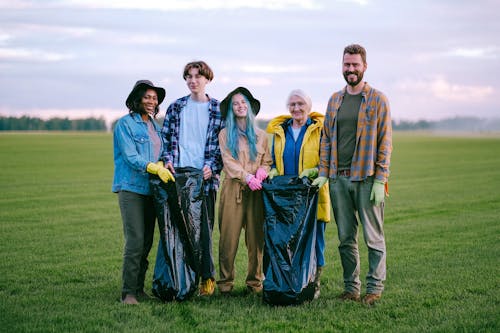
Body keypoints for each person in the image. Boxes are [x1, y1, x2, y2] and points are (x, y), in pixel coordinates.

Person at [313, 44, 392, 305]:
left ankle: (374, 288)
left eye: (355, 65)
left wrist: (381, 179)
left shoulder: (378, 99)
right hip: (338, 179)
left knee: (373, 238)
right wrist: (324, 173)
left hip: (367, 178)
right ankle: (351, 288)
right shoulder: (335, 99)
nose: (350, 69)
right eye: (347, 64)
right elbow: (326, 139)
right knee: (346, 238)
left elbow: (385, 141)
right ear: (342, 66)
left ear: (364, 67)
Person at [159, 61, 224, 296]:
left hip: (205, 179)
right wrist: (167, 160)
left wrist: (213, 168)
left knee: (203, 232)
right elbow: (166, 141)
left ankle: (207, 278)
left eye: (197, 76)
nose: (192, 80)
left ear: (207, 79)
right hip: (178, 178)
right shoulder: (176, 108)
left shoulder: (218, 109)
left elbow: (222, 147)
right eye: (188, 76)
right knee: (178, 229)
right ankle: (181, 279)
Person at [112, 80, 174, 305]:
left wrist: (164, 164)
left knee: (147, 241)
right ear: (137, 99)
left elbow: (164, 151)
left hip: (152, 190)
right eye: (147, 97)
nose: (151, 101)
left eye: (155, 98)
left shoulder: (156, 126)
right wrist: (153, 166)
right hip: (131, 188)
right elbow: (130, 156)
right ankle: (127, 292)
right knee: (135, 241)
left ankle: (138, 289)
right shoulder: (125, 124)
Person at [266, 89, 331, 299]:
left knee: (315, 239)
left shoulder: (319, 130)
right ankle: (290, 281)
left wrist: (316, 172)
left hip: (311, 195)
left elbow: (327, 159)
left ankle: (314, 280)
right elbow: (275, 160)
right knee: (287, 240)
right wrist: (274, 170)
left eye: (300, 104)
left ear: (309, 107)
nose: (296, 108)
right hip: (286, 198)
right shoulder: (280, 132)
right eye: (292, 104)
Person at [217, 87, 272, 295]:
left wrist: (261, 172)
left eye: (243, 102)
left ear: (249, 107)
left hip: (256, 193)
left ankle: (254, 283)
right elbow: (228, 162)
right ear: (231, 110)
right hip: (233, 191)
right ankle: (225, 284)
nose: (240, 106)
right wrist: (246, 177)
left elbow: (267, 161)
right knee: (228, 239)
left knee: (256, 240)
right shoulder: (224, 134)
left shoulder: (261, 136)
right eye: (235, 104)